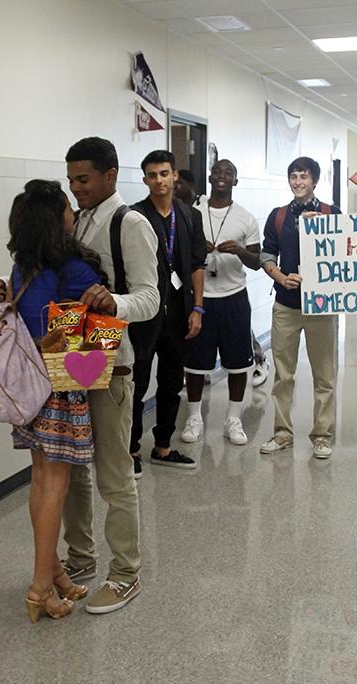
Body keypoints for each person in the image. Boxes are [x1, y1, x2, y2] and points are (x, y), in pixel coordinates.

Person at [60, 137, 160, 612]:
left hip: (113, 361)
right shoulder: (74, 221)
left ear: (110, 175)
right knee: (71, 465)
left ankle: (125, 573)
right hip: (71, 353)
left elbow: (150, 297)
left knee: (114, 474)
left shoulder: (130, 223)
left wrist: (113, 302)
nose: (75, 188)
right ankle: (80, 558)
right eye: (71, 180)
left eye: (83, 179)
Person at [7, 179, 101, 623]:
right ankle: (40, 589)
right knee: (55, 488)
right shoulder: (76, 272)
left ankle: (58, 575)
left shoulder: (23, 268)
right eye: (66, 205)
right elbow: (95, 338)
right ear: (56, 218)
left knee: (40, 482)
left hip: (28, 388)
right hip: (62, 389)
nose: (71, 210)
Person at [129, 150, 206, 474]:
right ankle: (130, 450)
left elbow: (197, 264)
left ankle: (162, 446)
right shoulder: (134, 216)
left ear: (175, 175)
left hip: (178, 313)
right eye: (152, 175)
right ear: (145, 179)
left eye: (164, 173)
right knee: (136, 383)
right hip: (144, 316)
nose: (159, 180)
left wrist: (198, 307)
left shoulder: (189, 216)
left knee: (172, 382)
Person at [259, 157, 340, 459]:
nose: (297, 182)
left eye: (303, 177)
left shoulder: (332, 213)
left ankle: (322, 435)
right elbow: (266, 256)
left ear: (315, 180)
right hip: (286, 305)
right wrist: (281, 277)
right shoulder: (278, 216)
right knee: (283, 374)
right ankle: (282, 433)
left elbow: (344, 256)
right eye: (293, 176)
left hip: (321, 307)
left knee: (324, 375)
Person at [180, 159, 261, 445]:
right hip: (201, 298)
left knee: (238, 363)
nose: (222, 176)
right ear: (210, 177)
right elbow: (181, 254)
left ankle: (233, 419)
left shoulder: (245, 218)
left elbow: (257, 262)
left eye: (229, 173)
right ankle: (194, 417)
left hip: (233, 297)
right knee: (195, 363)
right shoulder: (192, 212)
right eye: (218, 172)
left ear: (235, 181)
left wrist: (239, 251)